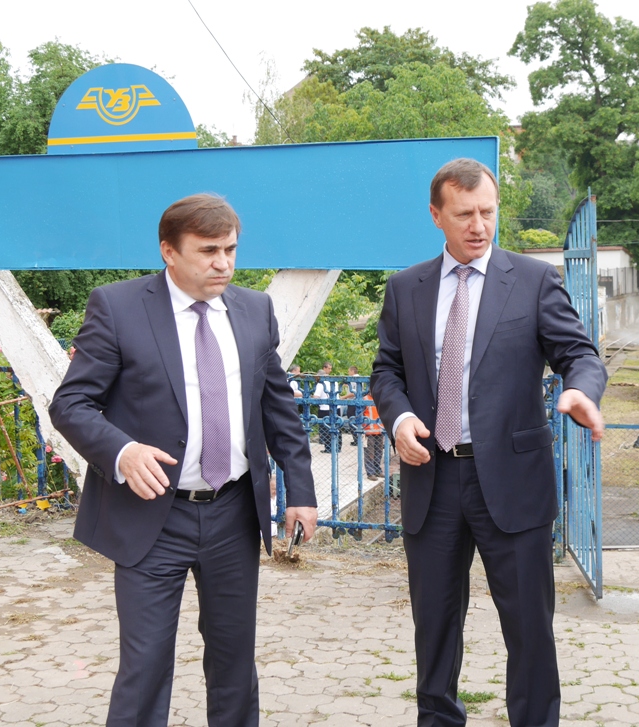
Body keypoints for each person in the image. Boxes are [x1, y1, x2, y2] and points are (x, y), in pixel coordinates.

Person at [49, 193, 317, 727]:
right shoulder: (118, 308)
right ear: (169, 251)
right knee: (145, 666)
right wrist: (122, 451)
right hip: (152, 516)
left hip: (233, 513)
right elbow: (71, 403)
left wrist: (301, 493)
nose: (223, 263)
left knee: (234, 662)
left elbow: (278, 407)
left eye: (230, 250)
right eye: (208, 251)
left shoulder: (255, 310)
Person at [371, 158, 607, 726]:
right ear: (436, 215)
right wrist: (399, 419)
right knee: (434, 626)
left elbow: (578, 353)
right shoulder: (405, 289)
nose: (479, 226)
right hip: (432, 479)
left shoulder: (532, 280)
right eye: (464, 214)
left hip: (512, 482)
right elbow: (387, 371)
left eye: (487, 212)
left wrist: (580, 390)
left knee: (529, 627)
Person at [362, 391, 385, 481]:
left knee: (379, 452)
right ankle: (370, 472)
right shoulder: (365, 399)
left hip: (379, 430)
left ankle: (377, 470)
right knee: (369, 453)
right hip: (369, 431)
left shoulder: (380, 399)